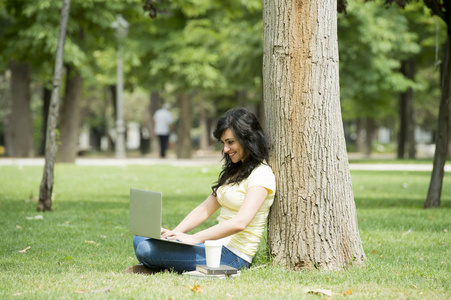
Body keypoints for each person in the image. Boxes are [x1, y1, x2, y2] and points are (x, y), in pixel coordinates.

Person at [125, 107, 276, 274]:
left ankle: (160, 266)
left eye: (230, 142)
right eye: (224, 143)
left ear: (248, 139)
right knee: (140, 239)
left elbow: (240, 222)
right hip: (212, 246)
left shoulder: (262, 174)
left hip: (232, 256)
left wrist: (194, 238)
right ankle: (164, 265)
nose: (225, 149)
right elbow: (204, 209)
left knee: (146, 249)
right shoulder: (235, 170)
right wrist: (175, 233)